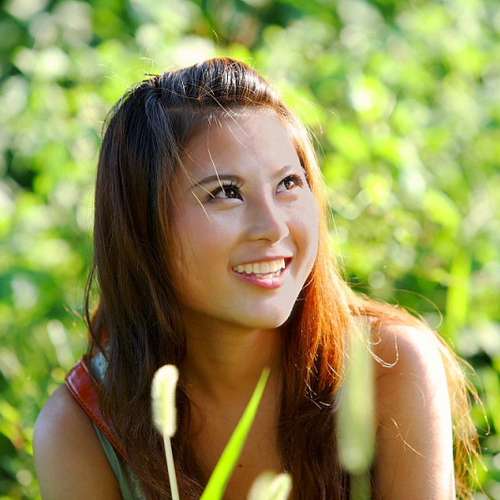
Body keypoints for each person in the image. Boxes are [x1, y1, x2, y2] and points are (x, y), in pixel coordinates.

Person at [33, 57, 479, 500]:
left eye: (288, 184)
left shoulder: (389, 367)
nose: (273, 226)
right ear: (142, 227)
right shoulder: (82, 427)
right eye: (226, 192)